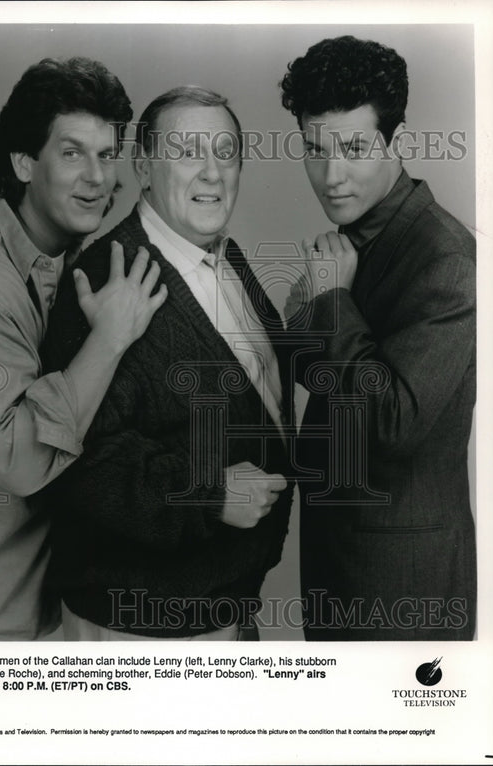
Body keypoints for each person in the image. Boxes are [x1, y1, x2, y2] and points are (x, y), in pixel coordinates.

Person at [0, 57, 166, 641]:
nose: (98, 178)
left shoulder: (70, 262)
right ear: (24, 162)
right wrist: (110, 337)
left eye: (107, 155)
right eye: (72, 153)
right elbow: (19, 459)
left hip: (34, 611)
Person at [39, 86, 294, 641]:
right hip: (142, 628)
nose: (211, 173)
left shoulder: (223, 258)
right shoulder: (110, 278)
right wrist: (211, 494)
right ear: (145, 167)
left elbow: (253, 396)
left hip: (221, 608)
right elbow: (77, 463)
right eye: (186, 152)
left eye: (225, 152)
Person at [280, 35, 476, 640]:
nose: (331, 176)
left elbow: (394, 420)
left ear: (400, 141)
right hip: (340, 569)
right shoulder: (354, 241)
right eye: (315, 149)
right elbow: (333, 389)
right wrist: (301, 322)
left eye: (355, 148)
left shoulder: (445, 257)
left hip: (403, 591)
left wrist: (333, 302)